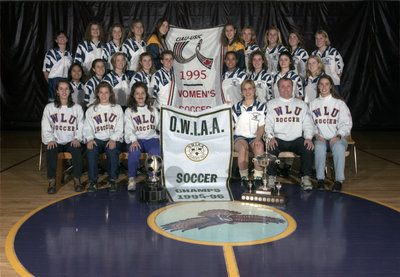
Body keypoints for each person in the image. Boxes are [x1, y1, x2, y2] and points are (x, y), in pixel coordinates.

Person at [264, 77, 315, 191]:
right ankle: (271, 176)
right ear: (278, 88)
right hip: (278, 138)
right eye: (282, 86)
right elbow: (268, 124)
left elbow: (308, 123)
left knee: (308, 147)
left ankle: (305, 177)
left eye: (288, 86)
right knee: (270, 147)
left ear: (292, 88)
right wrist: (271, 137)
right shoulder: (271, 104)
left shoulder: (301, 104)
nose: (285, 89)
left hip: (296, 139)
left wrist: (308, 137)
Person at [309, 75, 352, 192]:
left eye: (327, 84)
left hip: (337, 138)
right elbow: (309, 124)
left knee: (338, 147)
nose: (324, 87)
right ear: (318, 86)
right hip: (320, 138)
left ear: (331, 86)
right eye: (321, 84)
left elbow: (346, 123)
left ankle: (338, 180)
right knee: (318, 147)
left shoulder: (339, 103)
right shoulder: (313, 104)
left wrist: (338, 135)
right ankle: (320, 180)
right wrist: (316, 135)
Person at [41, 79, 84, 194]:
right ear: (57, 91)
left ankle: (77, 179)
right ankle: (52, 180)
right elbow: (45, 126)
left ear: (70, 91)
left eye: (66, 89)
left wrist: (77, 138)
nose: (64, 91)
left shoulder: (77, 108)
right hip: (56, 141)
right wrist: (50, 140)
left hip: (71, 140)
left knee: (76, 149)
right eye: (61, 89)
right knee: (51, 149)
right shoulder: (49, 108)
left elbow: (81, 126)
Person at [83, 82, 124, 192]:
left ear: (110, 94)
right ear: (97, 94)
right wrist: (90, 139)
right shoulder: (92, 110)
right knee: (90, 150)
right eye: (101, 92)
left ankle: (112, 180)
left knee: (112, 151)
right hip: (97, 139)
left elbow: (120, 127)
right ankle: (93, 181)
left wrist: (113, 139)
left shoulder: (117, 108)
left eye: (106, 92)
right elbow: (87, 127)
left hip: (113, 138)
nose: (104, 95)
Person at [124, 82, 161, 191]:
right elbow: (128, 128)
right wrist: (133, 140)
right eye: (137, 93)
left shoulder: (153, 110)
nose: (140, 96)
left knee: (155, 152)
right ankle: (132, 178)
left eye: (143, 93)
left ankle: (153, 177)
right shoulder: (129, 111)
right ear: (133, 96)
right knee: (134, 151)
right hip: (137, 139)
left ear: (146, 95)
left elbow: (158, 126)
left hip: (151, 138)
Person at [232, 80, 266, 189]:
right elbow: (231, 126)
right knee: (243, 148)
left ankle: (258, 178)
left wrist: (257, 139)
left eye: (250, 88)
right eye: (245, 89)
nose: (248, 91)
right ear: (241, 91)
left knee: (259, 146)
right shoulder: (236, 107)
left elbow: (262, 126)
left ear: (254, 90)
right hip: (239, 137)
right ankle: (244, 179)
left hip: (254, 136)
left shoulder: (261, 107)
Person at [43, 30, 73, 102]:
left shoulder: (69, 54)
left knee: (65, 103)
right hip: (54, 81)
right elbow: (45, 71)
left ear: (67, 39)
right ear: (56, 40)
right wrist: (52, 83)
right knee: (54, 103)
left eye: (64, 36)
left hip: (66, 81)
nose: (62, 38)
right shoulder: (51, 53)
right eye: (59, 37)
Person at [311, 30, 344, 95]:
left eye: (321, 38)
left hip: (333, 84)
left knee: (335, 104)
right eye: (316, 38)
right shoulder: (314, 54)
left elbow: (340, 68)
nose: (318, 40)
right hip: (319, 85)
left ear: (326, 39)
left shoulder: (333, 52)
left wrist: (334, 80)